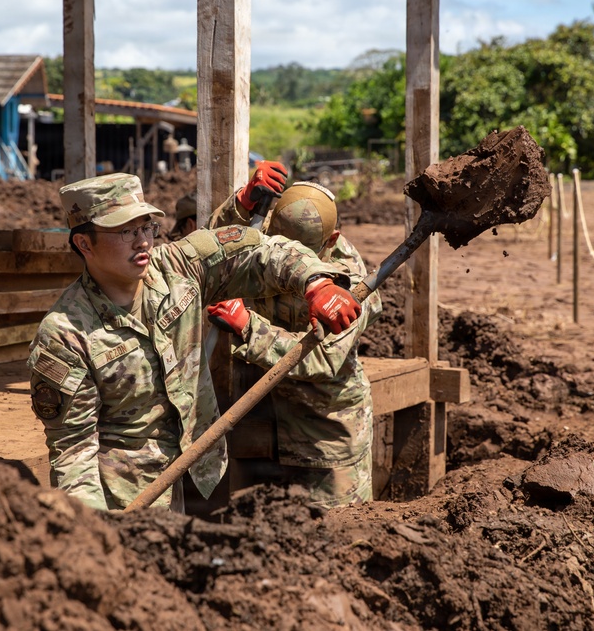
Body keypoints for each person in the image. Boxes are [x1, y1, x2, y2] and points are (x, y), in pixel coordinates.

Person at [26, 171, 362, 512]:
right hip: (130, 500)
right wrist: (93, 531)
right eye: (126, 231)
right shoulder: (64, 336)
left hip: (199, 469)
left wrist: (317, 281)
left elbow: (257, 248)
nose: (142, 241)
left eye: (147, 228)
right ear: (84, 244)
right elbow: (73, 450)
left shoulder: (179, 266)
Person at [207, 180, 382, 507]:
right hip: (257, 427)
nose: (290, 259)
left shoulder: (349, 286)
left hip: (322, 441)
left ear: (331, 241)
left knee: (338, 535)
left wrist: (248, 327)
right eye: (282, 248)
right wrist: (240, 206)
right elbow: (210, 251)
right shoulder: (266, 244)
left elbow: (323, 360)